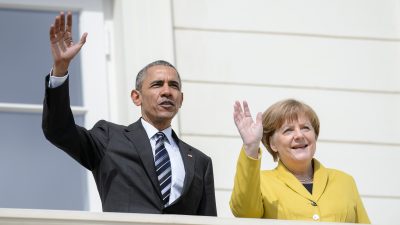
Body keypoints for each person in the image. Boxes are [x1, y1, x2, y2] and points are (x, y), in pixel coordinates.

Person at [42, 11, 217, 216]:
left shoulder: (200, 162)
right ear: (136, 97)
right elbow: (58, 130)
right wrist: (60, 69)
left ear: (181, 99)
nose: (167, 91)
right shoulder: (108, 138)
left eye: (174, 86)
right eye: (157, 84)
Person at [229, 99, 370, 223]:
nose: (299, 135)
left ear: (315, 136)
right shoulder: (260, 183)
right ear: (272, 144)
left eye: (305, 128)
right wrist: (251, 146)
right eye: (288, 130)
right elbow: (244, 213)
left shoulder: (345, 181)